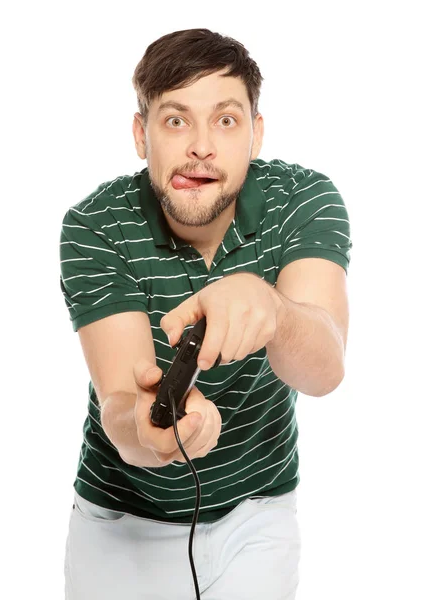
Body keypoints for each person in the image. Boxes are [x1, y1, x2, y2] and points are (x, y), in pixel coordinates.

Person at [60, 28, 352, 600]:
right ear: (141, 135)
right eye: (175, 120)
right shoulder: (94, 226)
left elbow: (325, 370)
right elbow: (121, 403)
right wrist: (152, 433)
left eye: (225, 119)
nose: (201, 147)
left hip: (258, 513)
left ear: (255, 134)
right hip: (122, 525)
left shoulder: (305, 200)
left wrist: (272, 309)